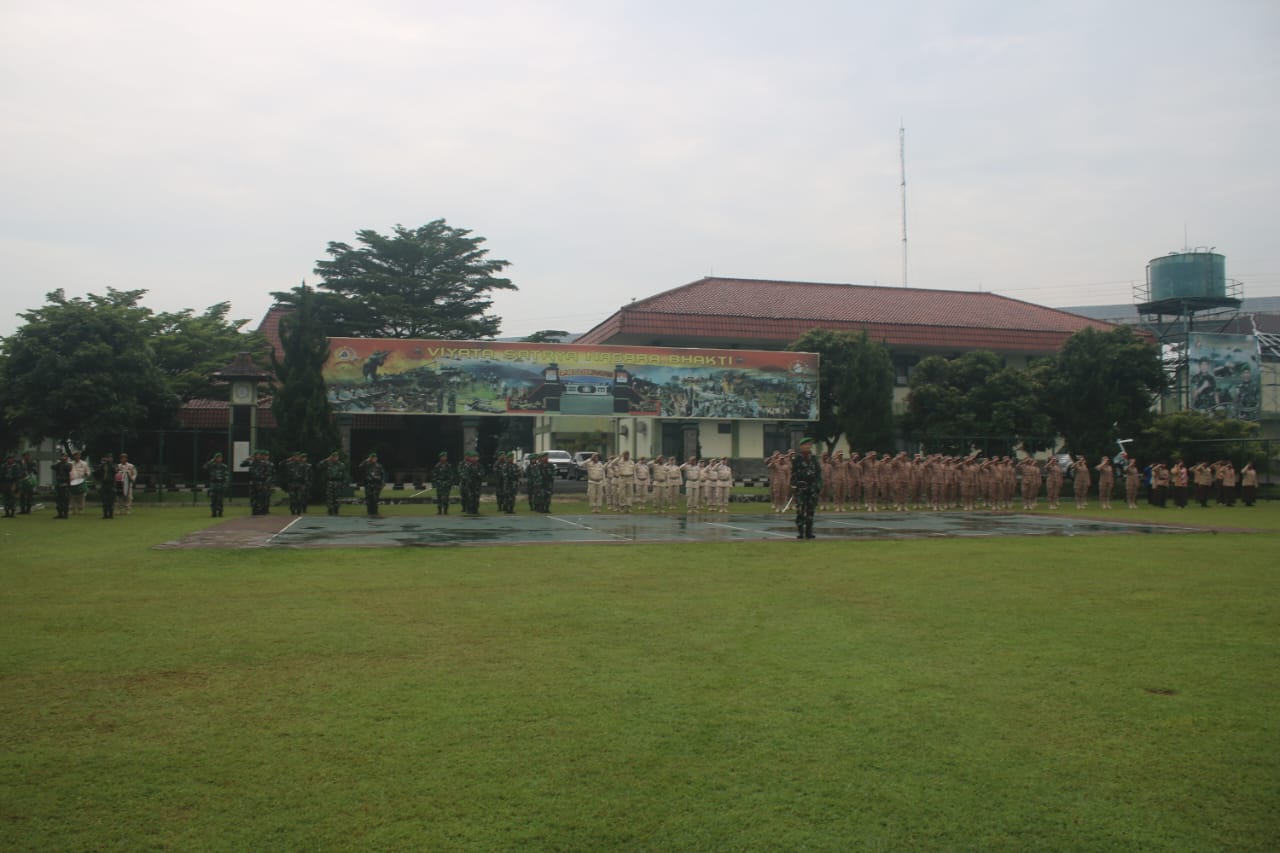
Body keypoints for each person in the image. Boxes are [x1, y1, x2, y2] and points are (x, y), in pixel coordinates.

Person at [790, 437, 822, 539]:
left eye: (809, 444)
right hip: (801, 488)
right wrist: (795, 485)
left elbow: (818, 473)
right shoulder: (797, 459)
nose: (808, 446)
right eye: (806, 445)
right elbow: (793, 474)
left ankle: (809, 532)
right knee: (800, 510)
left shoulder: (814, 458)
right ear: (801, 446)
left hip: (812, 488)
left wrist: (818, 485)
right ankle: (800, 532)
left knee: (810, 510)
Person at [318, 451, 347, 516]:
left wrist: (343, 483)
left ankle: (336, 510)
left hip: (338, 482)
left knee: (337, 497)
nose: (335, 458)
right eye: (333, 456)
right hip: (330, 482)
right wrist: (326, 459)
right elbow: (319, 466)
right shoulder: (328, 464)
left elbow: (344, 475)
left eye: (336, 456)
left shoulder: (341, 465)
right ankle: (330, 510)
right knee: (329, 497)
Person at [458, 450, 483, 515]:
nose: (475, 458)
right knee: (469, 497)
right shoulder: (468, 466)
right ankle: (468, 509)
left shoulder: (479, 466)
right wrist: (468, 479)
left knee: (476, 497)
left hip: (477, 484)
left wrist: (479, 475)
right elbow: (465, 474)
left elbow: (482, 473)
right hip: (469, 484)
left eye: (476, 457)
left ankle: (475, 510)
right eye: (473, 457)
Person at [205, 452, 230, 517]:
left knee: (220, 500)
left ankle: (220, 513)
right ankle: (213, 512)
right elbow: (205, 467)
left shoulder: (224, 466)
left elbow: (227, 476)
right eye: (217, 457)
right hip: (213, 484)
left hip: (221, 484)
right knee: (213, 499)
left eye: (220, 457)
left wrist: (225, 484)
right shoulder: (212, 465)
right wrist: (211, 461)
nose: (219, 459)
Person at [68, 450, 91, 515]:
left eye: (77, 455)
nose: (76, 456)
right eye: (75, 455)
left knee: (81, 496)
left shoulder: (84, 463)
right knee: (72, 496)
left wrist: (86, 474)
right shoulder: (70, 464)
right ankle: (72, 509)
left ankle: (81, 509)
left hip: (81, 481)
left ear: (80, 456)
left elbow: (88, 471)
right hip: (72, 482)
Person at [0, 451, 21, 518]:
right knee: (5, 498)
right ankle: (7, 512)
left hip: (12, 482)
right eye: (9, 458)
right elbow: (1, 474)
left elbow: (18, 475)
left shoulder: (16, 466)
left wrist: (16, 484)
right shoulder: (4, 466)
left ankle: (12, 512)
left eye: (11, 458)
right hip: (5, 483)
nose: (10, 460)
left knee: (12, 498)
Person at [52, 451, 72, 519]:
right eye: (62, 456)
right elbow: (52, 467)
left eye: (64, 456)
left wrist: (63, 462)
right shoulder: (58, 464)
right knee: (58, 500)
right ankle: (59, 514)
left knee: (65, 500)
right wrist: (59, 462)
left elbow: (69, 468)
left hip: (65, 485)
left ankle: (65, 514)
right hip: (58, 484)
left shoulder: (68, 464)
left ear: (66, 458)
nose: (62, 457)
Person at [98, 453, 116, 519]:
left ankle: (111, 514)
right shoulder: (103, 465)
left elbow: (114, 471)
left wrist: (109, 463)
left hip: (111, 484)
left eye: (110, 457)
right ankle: (105, 514)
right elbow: (99, 472)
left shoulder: (113, 465)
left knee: (111, 500)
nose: (109, 459)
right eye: (108, 457)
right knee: (104, 500)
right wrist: (103, 463)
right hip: (104, 484)